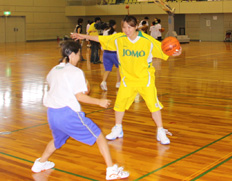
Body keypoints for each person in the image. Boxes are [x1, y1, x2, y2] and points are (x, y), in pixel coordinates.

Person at [71, 15, 182, 145]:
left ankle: (160, 131)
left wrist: (176, 52)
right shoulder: (119, 39)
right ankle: (118, 128)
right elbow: (100, 38)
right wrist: (84, 36)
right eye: (124, 27)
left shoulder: (147, 40)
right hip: (127, 79)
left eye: (130, 27)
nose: (127, 30)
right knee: (119, 105)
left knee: (154, 106)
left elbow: (166, 51)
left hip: (144, 79)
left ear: (135, 27)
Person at [31, 40, 129, 180]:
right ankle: (111, 170)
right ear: (71, 54)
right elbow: (80, 96)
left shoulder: (53, 70)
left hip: (52, 114)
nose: (79, 57)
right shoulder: (75, 72)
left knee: (57, 140)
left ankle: (40, 163)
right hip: (68, 114)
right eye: (78, 54)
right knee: (99, 136)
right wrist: (99, 101)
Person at [100, 20, 121, 91]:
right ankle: (118, 82)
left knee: (107, 69)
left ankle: (103, 82)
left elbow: (102, 40)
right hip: (113, 53)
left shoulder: (105, 32)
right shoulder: (115, 33)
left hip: (105, 53)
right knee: (119, 67)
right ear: (114, 25)